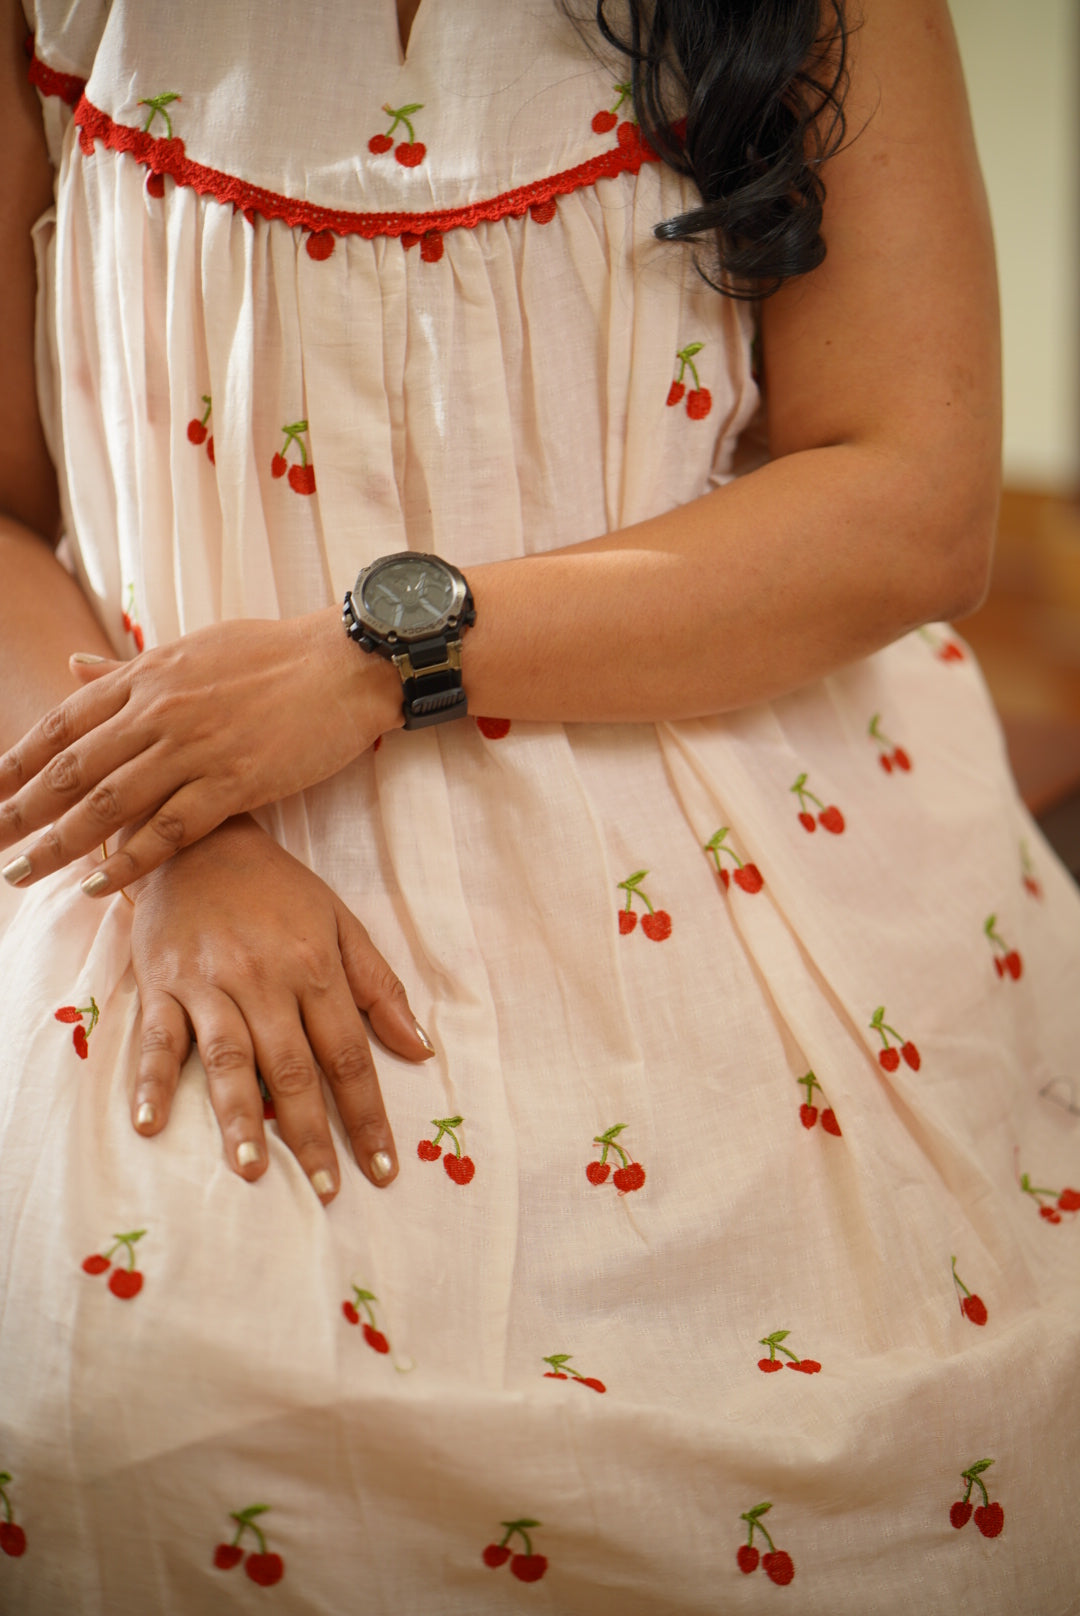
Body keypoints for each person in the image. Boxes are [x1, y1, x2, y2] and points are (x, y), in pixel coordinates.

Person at [0, 0, 1078, 1610]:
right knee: (118, 1407)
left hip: (742, 874)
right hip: (144, 839)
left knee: (891, 1427)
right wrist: (180, 824)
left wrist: (367, 662)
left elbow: (915, 505)